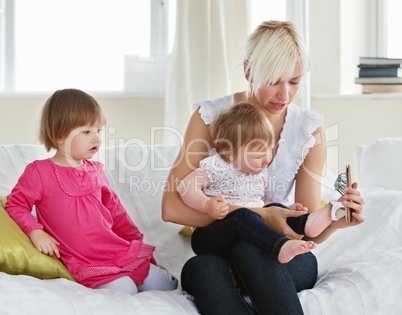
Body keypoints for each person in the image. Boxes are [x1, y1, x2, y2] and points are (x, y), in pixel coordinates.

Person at [162, 20, 365, 314]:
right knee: (199, 268)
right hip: (221, 248)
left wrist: (334, 221)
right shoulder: (211, 117)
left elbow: (304, 228)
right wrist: (262, 216)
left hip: (282, 255)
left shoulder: (308, 129)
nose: (285, 95)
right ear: (248, 71)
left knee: (246, 252)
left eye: (294, 82)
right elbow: (171, 207)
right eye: (273, 81)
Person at [5, 88, 178, 295]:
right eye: (87, 132)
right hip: (83, 259)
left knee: (165, 284)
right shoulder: (39, 172)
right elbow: (15, 204)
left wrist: (139, 249)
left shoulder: (96, 171)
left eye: (98, 130)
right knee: (126, 289)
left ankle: (154, 273)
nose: (96, 139)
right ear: (60, 135)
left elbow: (117, 213)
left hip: (114, 249)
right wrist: (35, 231)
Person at [177, 102, 342, 264]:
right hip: (210, 234)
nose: (267, 161)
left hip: (242, 236)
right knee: (242, 215)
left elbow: (257, 203)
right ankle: (281, 246)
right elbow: (185, 187)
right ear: (229, 153)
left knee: (273, 209)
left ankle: (307, 222)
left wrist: (283, 209)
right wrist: (206, 205)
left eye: (269, 151)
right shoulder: (218, 165)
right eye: (257, 156)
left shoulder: (257, 173)